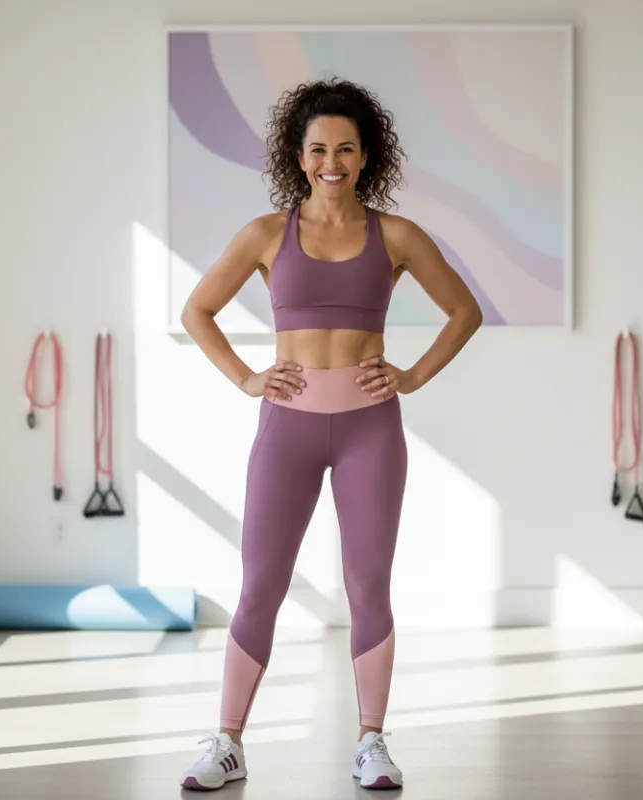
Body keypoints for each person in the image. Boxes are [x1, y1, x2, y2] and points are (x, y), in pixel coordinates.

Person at [177, 77, 483, 791]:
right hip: (287, 428)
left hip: (369, 431)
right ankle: (227, 742)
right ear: (299, 154)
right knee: (260, 585)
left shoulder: (397, 236)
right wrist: (248, 379)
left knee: (368, 583)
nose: (332, 162)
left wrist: (412, 376)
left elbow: (463, 312)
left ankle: (372, 742)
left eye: (346, 148)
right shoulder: (264, 234)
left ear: (367, 154)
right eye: (319, 149)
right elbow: (199, 311)